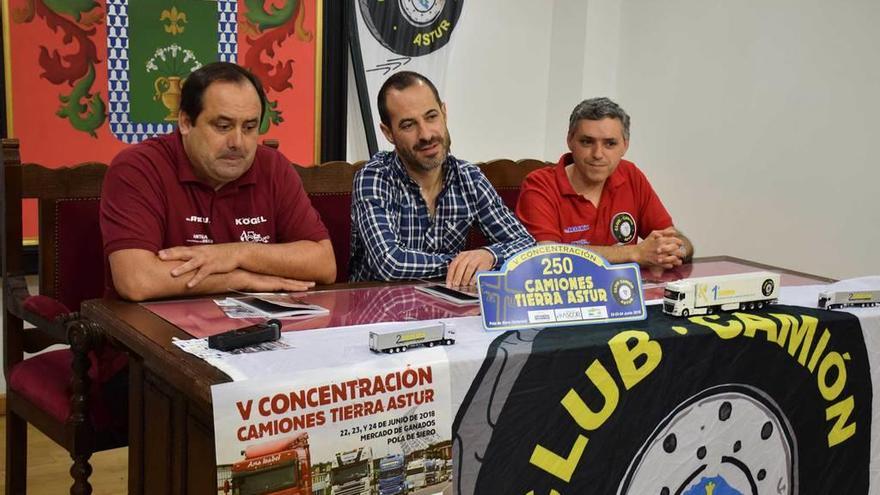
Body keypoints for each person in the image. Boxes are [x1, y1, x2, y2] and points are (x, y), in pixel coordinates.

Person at [101, 62, 336, 301]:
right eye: (223, 126)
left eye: (249, 127)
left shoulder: (273, 166)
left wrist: (236, 254)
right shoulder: (138, 167)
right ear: (185, 122)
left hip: (254, 326)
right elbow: (137, 280)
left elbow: (323, 263)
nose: (238, 142)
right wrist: (239, 279)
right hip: (156, 327)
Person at [349, 71, 535, 286]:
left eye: (431, 116)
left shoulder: (468, 177)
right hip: (382, 310)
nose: (426, 134)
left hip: (450, 308)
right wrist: (461, 265)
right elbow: (389, 263)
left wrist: (489, 255)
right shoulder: (374, 177)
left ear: (444, 113)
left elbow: (525, 245)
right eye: (409, 125)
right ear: (388, 133)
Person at [515, 97, 693, 270]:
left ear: (625, 146)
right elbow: (546, 257)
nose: (598, 154)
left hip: (623, 295)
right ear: (570, 140)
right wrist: (634, 253)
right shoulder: (539, 184)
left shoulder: (631, 175)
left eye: (610, 144)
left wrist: (675, 250)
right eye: (587, 142)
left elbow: (677, 240)